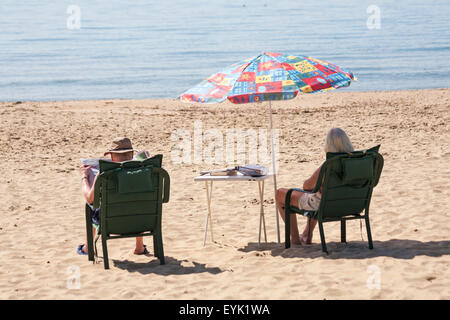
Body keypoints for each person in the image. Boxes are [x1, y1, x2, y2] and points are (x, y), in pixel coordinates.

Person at [275, 128, 355, 245]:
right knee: (318, 192)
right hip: (350, 204)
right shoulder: (356, 162)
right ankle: (307, 234)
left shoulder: (329, 165)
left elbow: (306, 186)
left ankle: (295, 239)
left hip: (325, 206)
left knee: (281, 194)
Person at [77, 137, 149, 255]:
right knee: (137, 202)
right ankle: (139, 247)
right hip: (141, 220)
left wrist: (84, 177)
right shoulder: (144, 171)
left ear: (112, 156)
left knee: (91, 206)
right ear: (131, 154)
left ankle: (87, 247)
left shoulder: (103, 174)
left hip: (110, 223)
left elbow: (90, 199)